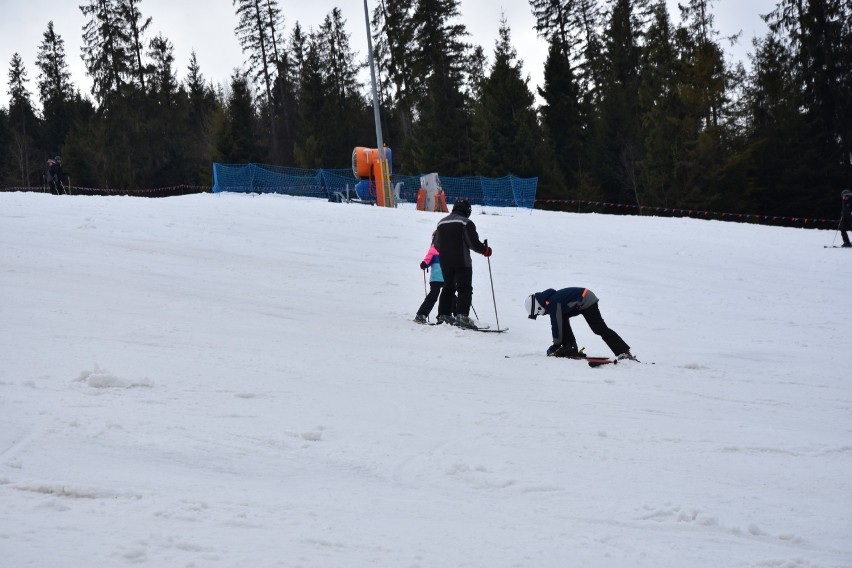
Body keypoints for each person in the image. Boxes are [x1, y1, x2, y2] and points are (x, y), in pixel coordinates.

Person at [525, 287, 637, 361]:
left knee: (599, 328)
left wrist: (556, 345)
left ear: (538, 308)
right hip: (580, 302)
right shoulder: (551, 301)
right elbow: (559, 322)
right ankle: (570, 347)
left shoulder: (552, 303)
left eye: (538, 313)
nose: (540, 315)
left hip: (586, 300)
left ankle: (624, 352)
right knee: (562, 318)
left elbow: (556, 324)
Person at [433, 198, 492, 329]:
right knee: (464, 289)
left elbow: (436, 245)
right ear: (467, 210)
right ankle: (462, 316)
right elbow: (473, 243)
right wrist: (485, 250)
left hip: (445, 262)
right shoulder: (466, 222)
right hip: (462, 261)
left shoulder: (441, 223)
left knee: (448, 288)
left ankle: (443, 315)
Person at [414, 232, 444, 323]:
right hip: (436, 277)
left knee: (449, 296)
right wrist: (425, 264)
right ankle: (421, 314)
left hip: (446, 276)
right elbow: (428, 258)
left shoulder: (448, 248)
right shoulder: (434, 248)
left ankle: (445, 315)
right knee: (434, 296)